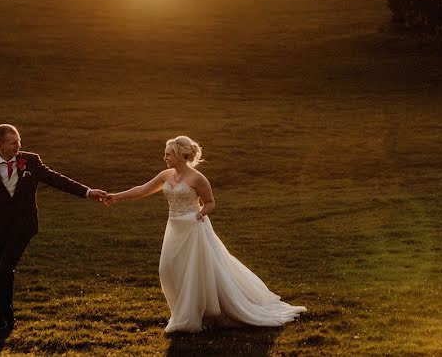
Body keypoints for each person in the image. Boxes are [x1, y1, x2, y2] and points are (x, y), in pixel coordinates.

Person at [104, 136, 306, 333]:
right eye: (165, 154)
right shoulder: (165, 175)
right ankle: (182, 311)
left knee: (195, 271)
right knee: (168, 269)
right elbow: (142, 190)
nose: (165, 158)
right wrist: (116, 197)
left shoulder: (198, 178)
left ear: (180, 156)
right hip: (174, 228)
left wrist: (201, 213)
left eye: (168, 155)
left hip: (194, 228)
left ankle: (199, 315)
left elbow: (210, 202)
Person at [0, 124, 108, 336]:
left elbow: (56, 179)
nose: (18, 146)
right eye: (12, 143)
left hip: (24, 226)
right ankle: (6, 319)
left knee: (4, 269)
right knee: (1, 274)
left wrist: (87, 192)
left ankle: (2, 322)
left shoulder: (30, 161)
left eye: (19, 141)